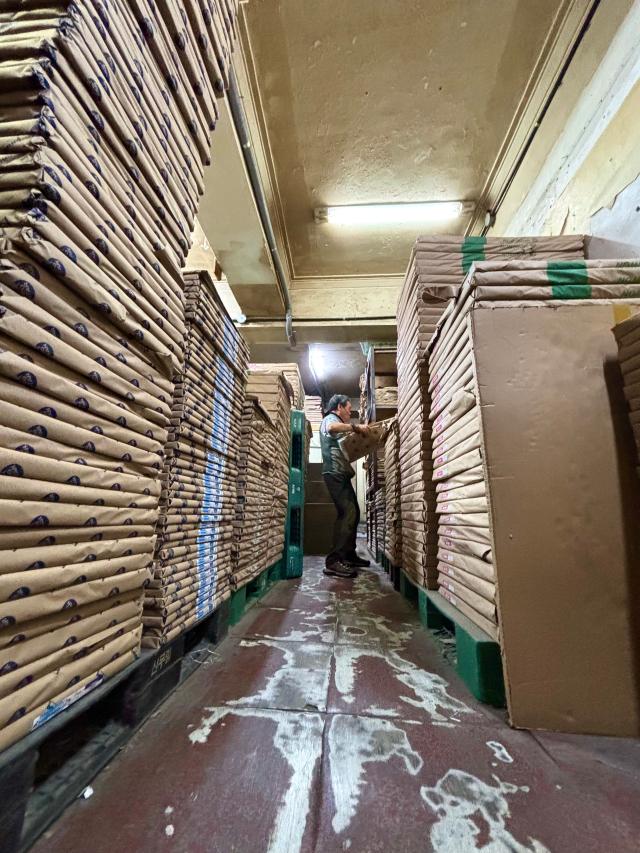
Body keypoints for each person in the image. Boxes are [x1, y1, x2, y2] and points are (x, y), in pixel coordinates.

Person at [320, 394, 372, 578]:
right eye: (348, 409)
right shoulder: (330, 419)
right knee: (347, 513)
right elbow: (332, 427)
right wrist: (355, 427)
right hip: (334, 473)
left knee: (354, 512)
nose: (350, 413)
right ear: (339, 407)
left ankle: (348, 555)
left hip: (339, 473)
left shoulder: (337, 421)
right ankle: (334, 561)